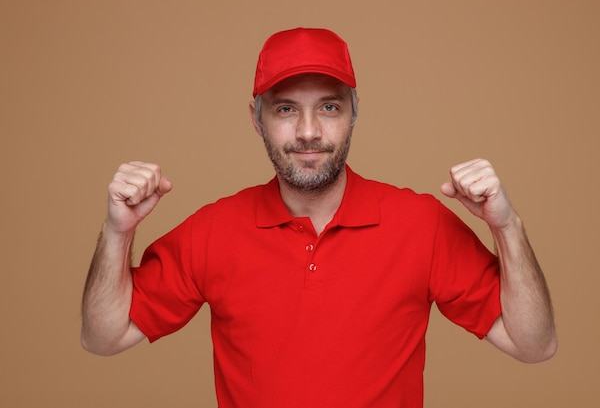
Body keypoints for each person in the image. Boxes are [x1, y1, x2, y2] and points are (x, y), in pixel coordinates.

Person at [81, 27, 557, 407]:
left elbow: (533, 344)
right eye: (287, 109)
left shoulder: (421, 224)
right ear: (256, 117)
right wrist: (118, 232)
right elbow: (103, 337)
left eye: (328, 107)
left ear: (354, 112)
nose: (309, 132)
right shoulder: (212, 231)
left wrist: (506, 226)